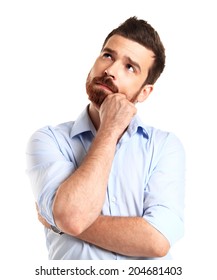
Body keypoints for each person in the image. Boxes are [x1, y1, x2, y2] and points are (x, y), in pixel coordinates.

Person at [26, 16, 185, 260]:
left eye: (130, 67)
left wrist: (62, 223)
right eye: (107, 55)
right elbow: (72, 217)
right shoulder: (48, 140)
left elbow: (156, 240)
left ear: (144, 92)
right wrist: (110, 128)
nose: (110, 70)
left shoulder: (164, 146)